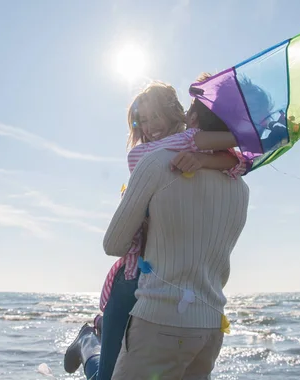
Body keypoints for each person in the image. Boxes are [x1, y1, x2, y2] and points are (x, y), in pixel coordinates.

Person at [63, 78, 249, 380]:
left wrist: (202, 160)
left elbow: (234, 155)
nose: (149, 126)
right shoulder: (147, 157)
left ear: (180, 114)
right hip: (137, 278)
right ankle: (88, 341)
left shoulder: (220, 163)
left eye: (156, 116)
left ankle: (89, 338)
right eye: (142, 121)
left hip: (176, 303)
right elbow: (116, 244)